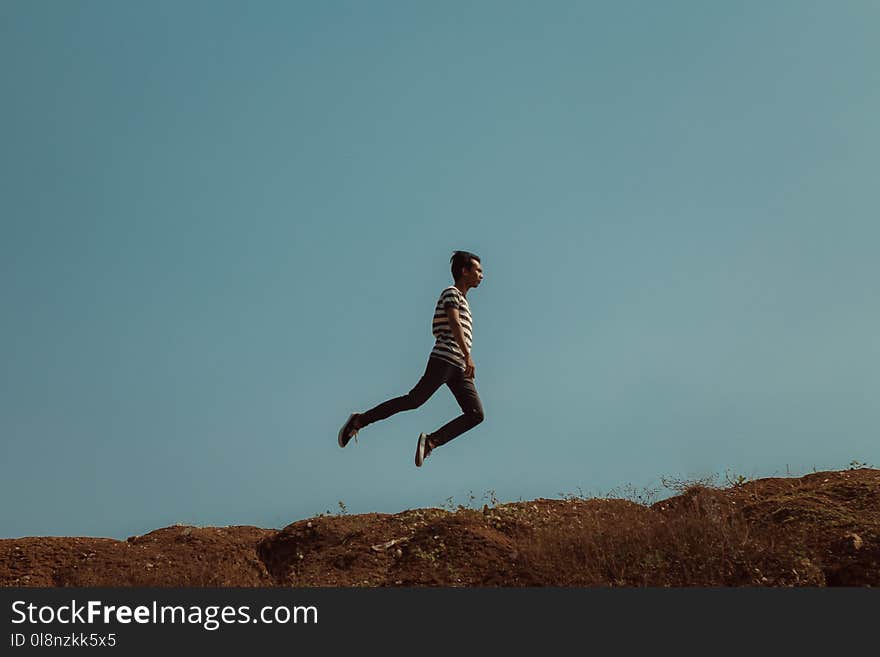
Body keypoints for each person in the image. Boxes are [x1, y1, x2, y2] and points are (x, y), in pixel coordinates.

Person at [338, 250, 485, 467]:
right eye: (478, 270)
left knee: (476, 414)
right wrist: (468, 355)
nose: (481, 275)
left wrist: (465, 360)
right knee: (414, 400)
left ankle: (431, 442)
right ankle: (359, 420)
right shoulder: (451, 293)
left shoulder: (465, 302)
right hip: (444, 359)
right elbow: (454, 324)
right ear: (464, 271)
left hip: (459, 367)